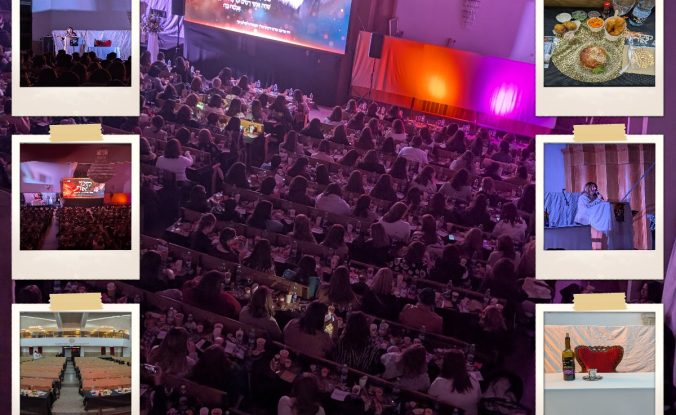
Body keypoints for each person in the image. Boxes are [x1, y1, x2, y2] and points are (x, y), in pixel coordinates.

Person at [428, 350, 481, 415]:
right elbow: (478, 399)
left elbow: (429, 398)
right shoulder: (474, 379)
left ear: (445, 364)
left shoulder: (439, 382)